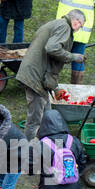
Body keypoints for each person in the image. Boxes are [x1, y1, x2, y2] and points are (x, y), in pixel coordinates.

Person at [14, 11, 85, 141]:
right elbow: (52, 48)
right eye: (81, 25)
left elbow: (48, 62)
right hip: (35, 77)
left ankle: (46, 145)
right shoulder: (65, 27)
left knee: (47, 115)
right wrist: (73, 56)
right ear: (77, 22)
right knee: (35, 120)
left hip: (37, 74)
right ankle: (27, 151)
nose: (79, 28)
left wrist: (55, 87)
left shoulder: (56, 23)